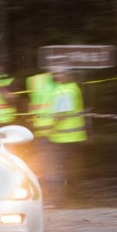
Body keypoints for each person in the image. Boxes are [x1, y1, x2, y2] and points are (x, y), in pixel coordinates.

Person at [42, 63, 87, 206]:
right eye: (54, 73)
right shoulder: (66, 88)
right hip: (69, 137)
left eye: (59, 73)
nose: (56, 76)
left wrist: (48, 128)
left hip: (64, 138)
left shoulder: (67, 90)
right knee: (69, 169)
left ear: (68, 74)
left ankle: (58, 199)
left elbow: (60, 114)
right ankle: (71, 197)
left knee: (56, 168)